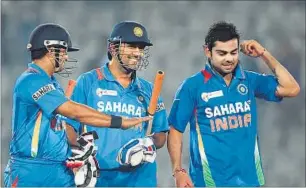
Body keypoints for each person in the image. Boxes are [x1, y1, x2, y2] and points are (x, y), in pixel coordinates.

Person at [3, 23, 151, 187]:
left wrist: (82, 146)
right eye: (64, 52)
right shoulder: (30, 80)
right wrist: (119, 122)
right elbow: (73, 111)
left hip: (58, 169)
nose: (66, 58)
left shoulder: (53, 84)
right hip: (31, 170)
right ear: (51, 50)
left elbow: (60, 127)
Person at [167, 21, 300, 187]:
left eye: (233, 52)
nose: (229, 59)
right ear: (207, 51)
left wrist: (263, 54)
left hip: (250, 182)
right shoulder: (192, 87)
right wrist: (178, 171)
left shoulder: (249, 80)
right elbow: (175, 130)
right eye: (222, 53)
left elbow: (291, 88)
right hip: (208, 182)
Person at [62, 20, 169, 187]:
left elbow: (161, 135)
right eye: (132, 46)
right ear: (113, 47)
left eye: (141, 48)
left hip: (140, 179)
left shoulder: (148, 90)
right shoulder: (88, 82)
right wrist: (85, 150)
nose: (138, 53)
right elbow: (69, 127)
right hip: (99, 177)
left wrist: (147, 144)